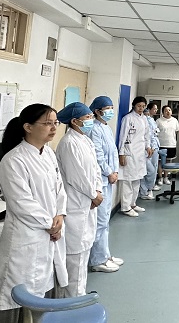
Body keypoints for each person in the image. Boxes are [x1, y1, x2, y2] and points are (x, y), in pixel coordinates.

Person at [0, 104, 67, 318]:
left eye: (55, 123)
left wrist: (60, 215)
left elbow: (59, 188)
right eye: (47, 123)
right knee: (17, 298)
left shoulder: (48, 153)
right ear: (28, 127)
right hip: (27, 237)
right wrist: (50, 224)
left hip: (48, 233)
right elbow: (22, 203)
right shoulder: (13, 160)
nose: (54, 128)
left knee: (42, 293)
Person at [55, 102, 103, 297]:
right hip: (76, 205)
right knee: (74, 258)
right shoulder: (68, 143)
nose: (91, 120)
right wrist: (93, 194)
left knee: (83, 254)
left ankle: (79, 294)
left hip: (88, 202)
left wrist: (97, 190)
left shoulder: (85, 140)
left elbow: (95, 169)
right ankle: (71, 300)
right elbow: (77, 177)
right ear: (75, 121)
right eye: (87, 118)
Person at [88, 95, 124, 273]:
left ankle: (105, 254)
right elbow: (98, 155)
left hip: (109, 178)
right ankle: (97, 260)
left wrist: (115, 171)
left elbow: (113, 152)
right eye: (107, 108)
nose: (110, 111)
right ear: (97, 111)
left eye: (111, 108)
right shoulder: (94, 129)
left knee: (105, 220)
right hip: (101, 181)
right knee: (100, 221)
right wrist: (109, 172)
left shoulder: (106, 127)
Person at [117, 96, 151, 217]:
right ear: (134, 106)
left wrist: (148, 147)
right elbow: (122, 137)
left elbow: (147, 135)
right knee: (128, 180)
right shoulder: (128, 118)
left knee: (137, 179)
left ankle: (132, 203)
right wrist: (121, 153)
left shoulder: (144, 119)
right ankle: (125, 207)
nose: (141, 108)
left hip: (140, 153)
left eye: (143, 106)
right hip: (129, 152)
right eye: (139, 106)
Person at [139, 104, 160, 200]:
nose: (156, 110)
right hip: (147, 149)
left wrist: (154, 147)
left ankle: (150, 187)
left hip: (154, 147)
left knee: (153, 169)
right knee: (148, 170)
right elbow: (147, 136)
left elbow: (154, 133)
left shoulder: (151, 120)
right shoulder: (144, 120)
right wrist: (149, 147)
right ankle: (145, 190)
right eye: (154, 109)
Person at [156, 104, 179, 186]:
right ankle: (160, 177)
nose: (168, 112)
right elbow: (155, 132)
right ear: (163, 112)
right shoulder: (159, 121)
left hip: (171, 144)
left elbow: (176, 131)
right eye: (166, 111)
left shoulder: (175, 120)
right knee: (160, 162)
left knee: (168, 161)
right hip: (161, 144)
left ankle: (166, 177)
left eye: (169, 110)